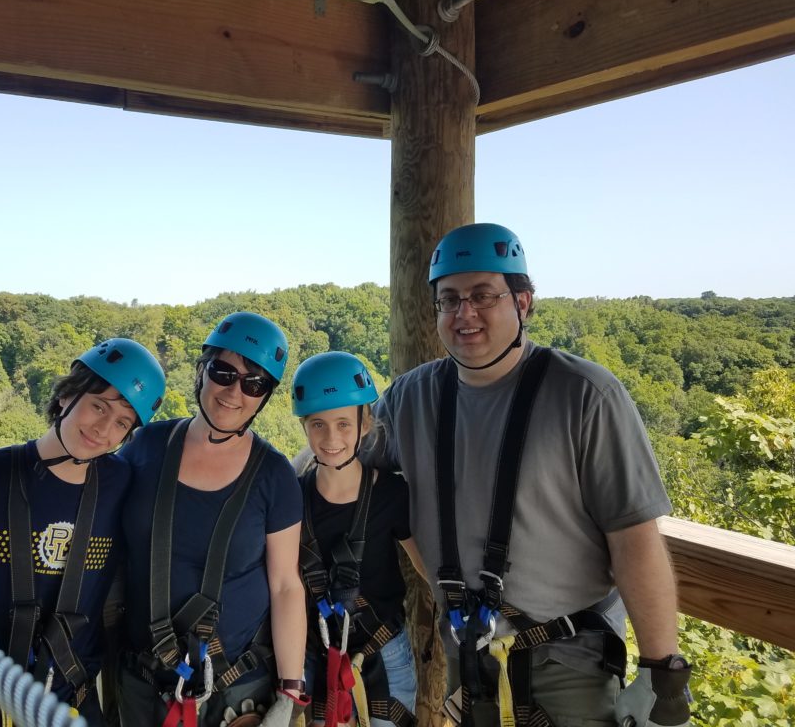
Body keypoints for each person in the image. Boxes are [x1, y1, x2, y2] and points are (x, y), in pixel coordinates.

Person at [364, 223, 692, 727]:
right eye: (448, 299)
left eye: (482, 295)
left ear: (523, 302)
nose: (464, 313)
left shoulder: (584, 395)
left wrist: (660, 674)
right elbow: (342, 466)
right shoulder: (411, 397)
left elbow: (634, 538)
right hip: (469, 657)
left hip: (567, 661)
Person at [0, 337, 167, 726]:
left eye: (122, 422)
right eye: (98, 406)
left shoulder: (124, 484)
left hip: (71, 703)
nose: (103, 428)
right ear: (67, 397)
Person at [116, 311, 309, 727]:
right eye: (223, 371)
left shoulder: (274, 476)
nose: (233, 391)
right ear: (202, 371)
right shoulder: (144, 448)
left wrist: (291, 686)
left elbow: (285, 584)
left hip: (234, 687)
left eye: (253, 383)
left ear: (264, 397)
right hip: (142, 679)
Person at [291, 351, 428, 727]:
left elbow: (423, 563)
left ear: (365, 422)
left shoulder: (392, 494)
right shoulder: (291, 498)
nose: (331, 438)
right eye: (317, 425)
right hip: (315, 653)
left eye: (343, 424)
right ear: (304, 426)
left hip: (381, 648)